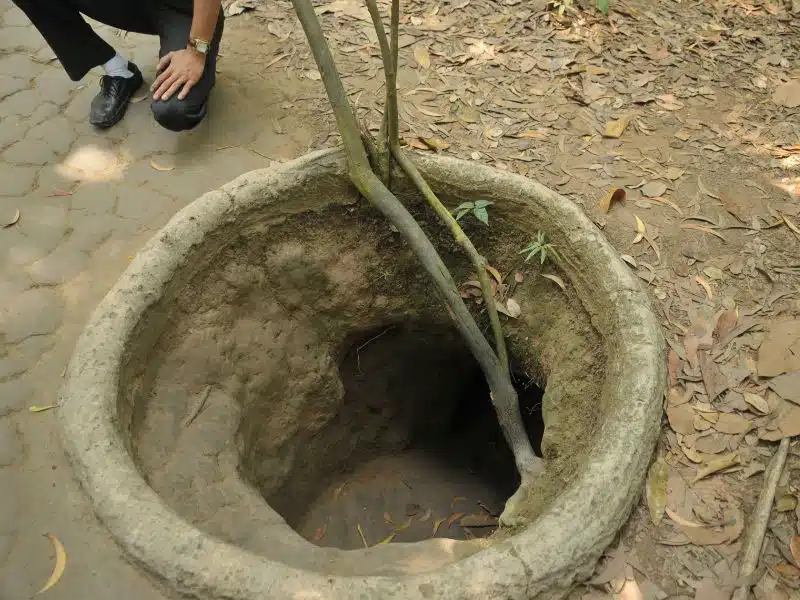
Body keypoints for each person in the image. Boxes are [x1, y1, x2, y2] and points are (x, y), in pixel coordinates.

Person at [11, 0, 225, 131]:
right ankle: (118, 70)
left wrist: (196, 50)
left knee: (174, 110)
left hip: (183, 9)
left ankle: (196, 59)